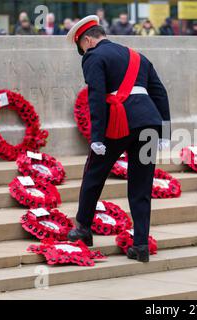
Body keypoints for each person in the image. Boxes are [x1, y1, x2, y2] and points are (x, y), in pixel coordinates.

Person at [66, 15, 170, 262]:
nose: (83, 52)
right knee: (141, 185)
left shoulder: (94, 56)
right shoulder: (138, 56)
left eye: (81, 47)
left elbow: (97, 96)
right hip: (149, 125)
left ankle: (82, 228)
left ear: (88, 40)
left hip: (119, 123)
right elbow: (160, 92)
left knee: (94, 174)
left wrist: (97, 137)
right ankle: (141, 245)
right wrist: (165, 130)